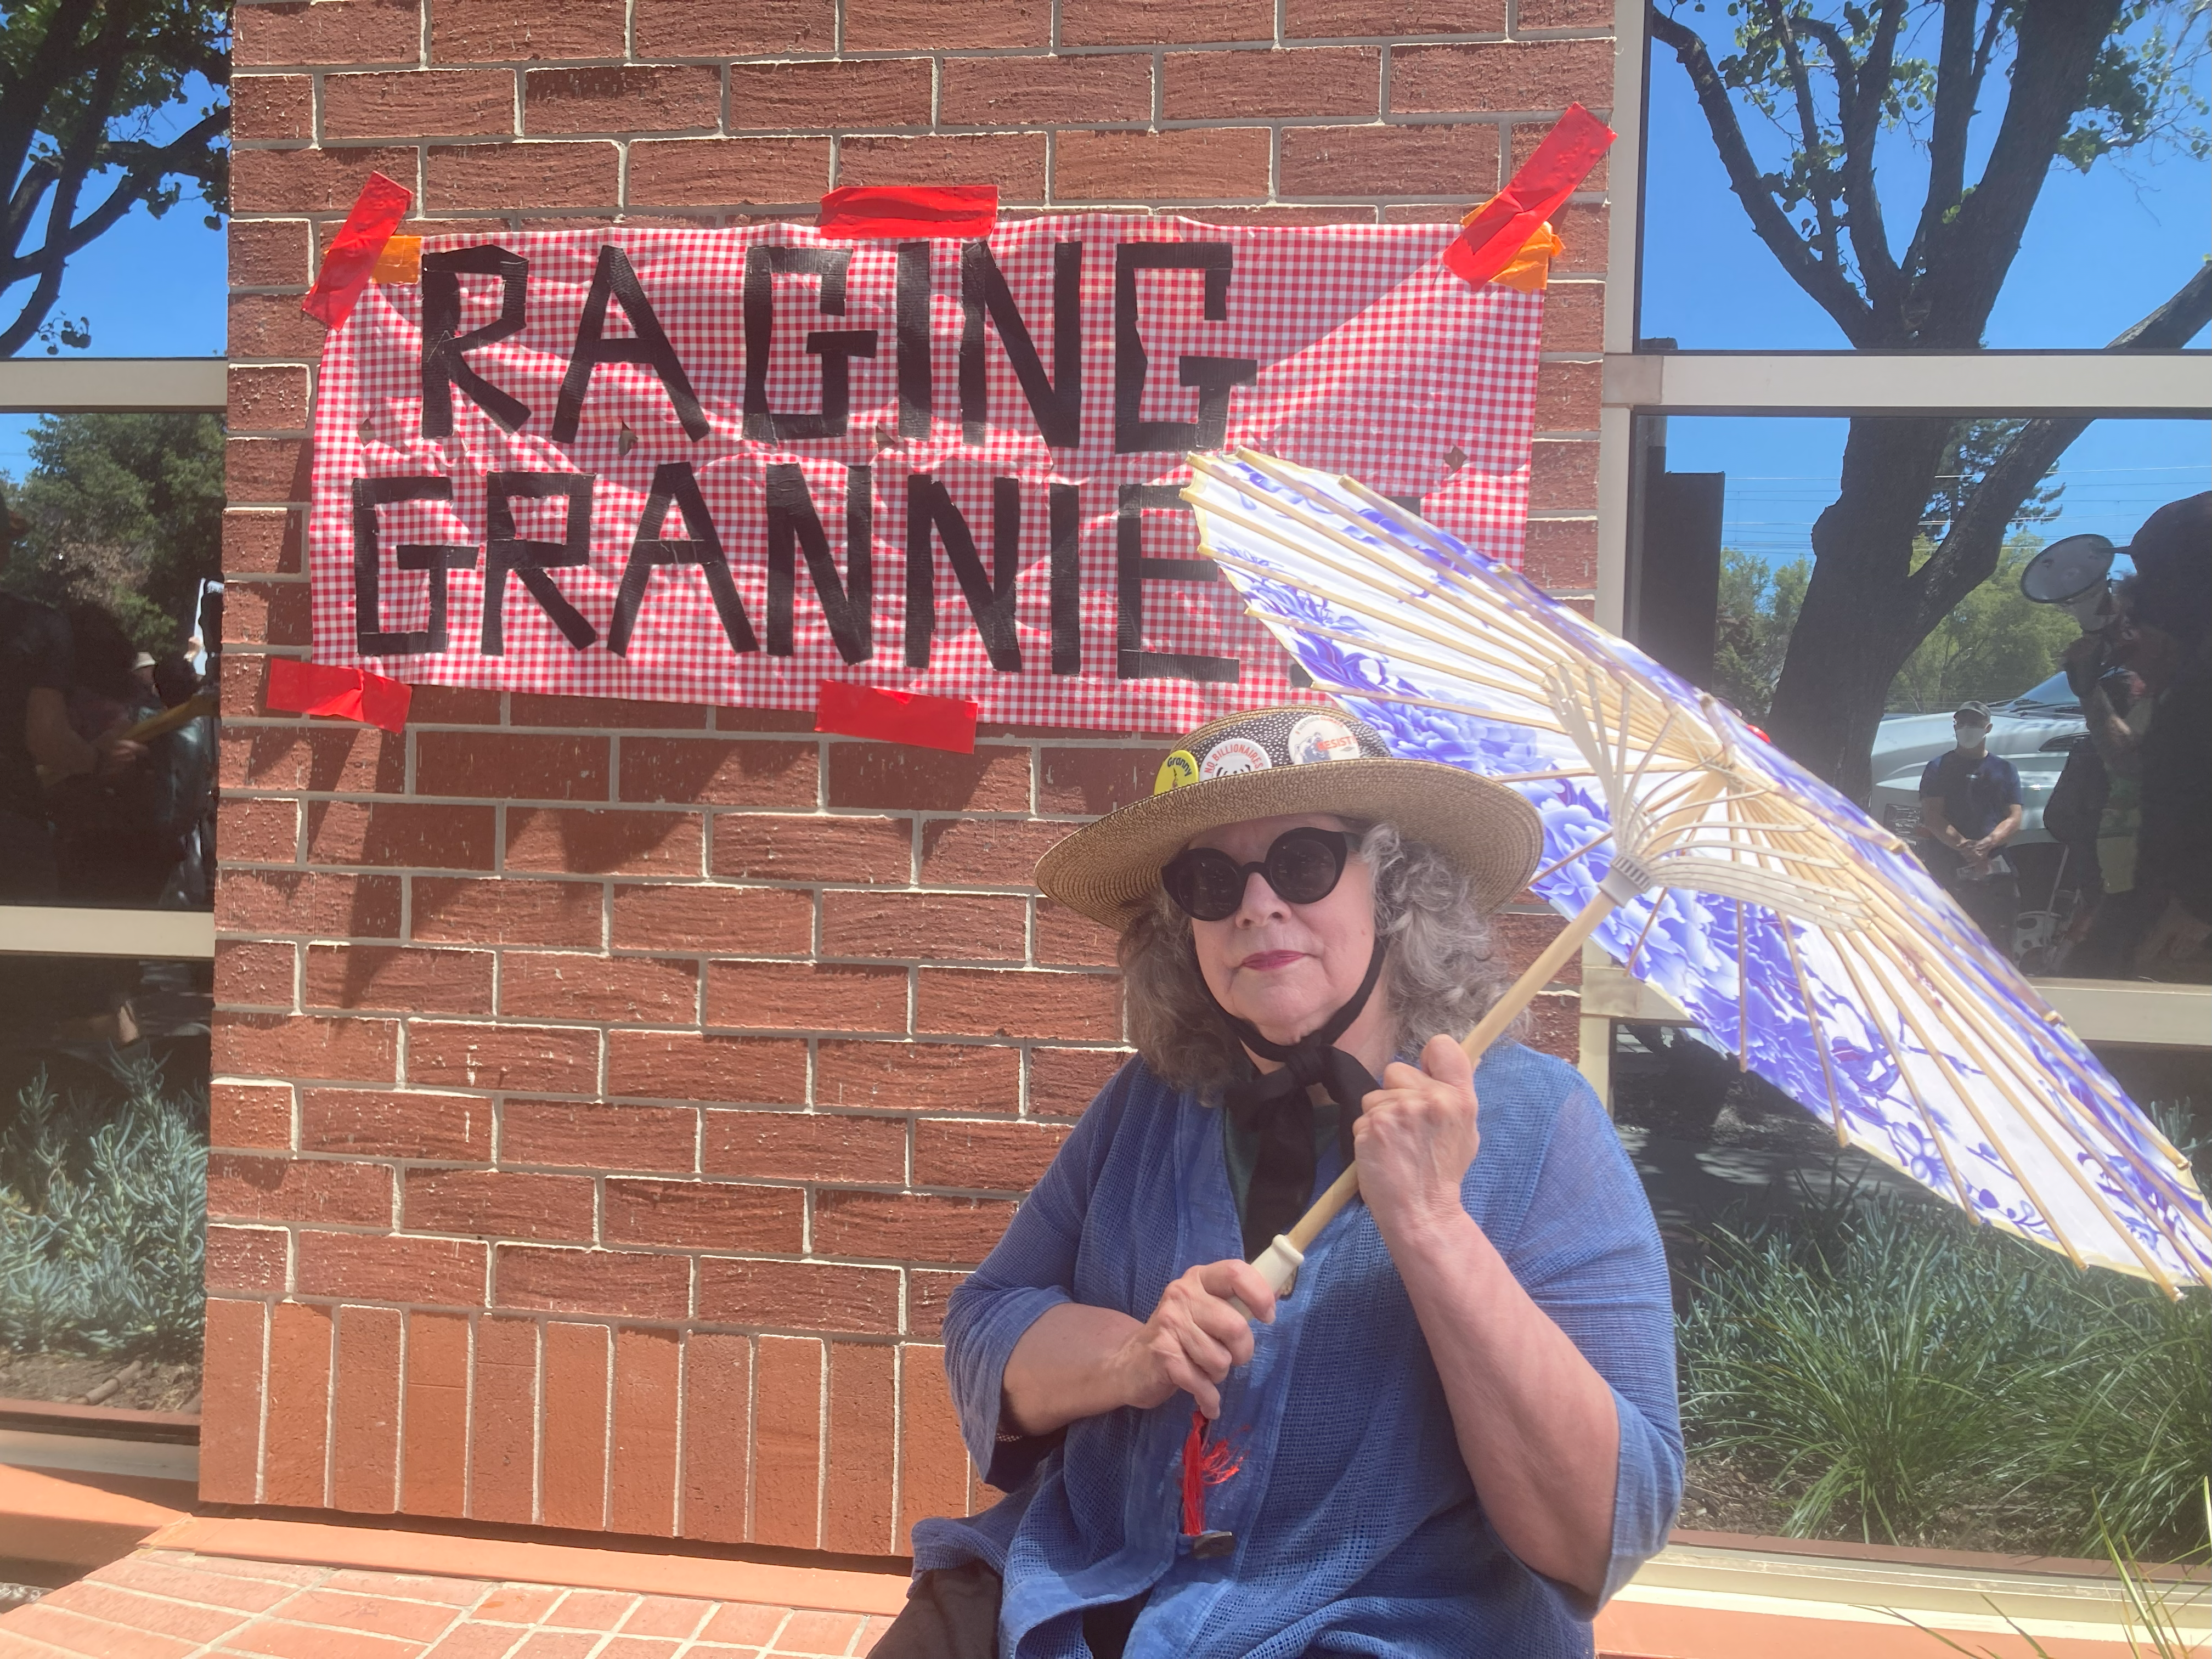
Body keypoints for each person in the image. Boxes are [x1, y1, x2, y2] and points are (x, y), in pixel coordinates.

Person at [881, 708, 1681, 1659]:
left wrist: (1432, 1226)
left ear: (1391, 885)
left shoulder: (1544, 1125)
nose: (1255, 905)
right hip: (1085, 1581)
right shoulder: (1150, 1101)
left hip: (1379, 1627)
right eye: (1210, 880)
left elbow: (1603, 1531)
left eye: (1302, 861)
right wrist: (1130, 1355)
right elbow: (989, 1317)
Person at [2064, 493, 2211, 980]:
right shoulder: (2176, 697)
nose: (2122, 651)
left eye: (2134, 625)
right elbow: (2135, 765)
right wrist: (2091, 696)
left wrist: (2197, 904)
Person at [1916, 701, 2023, 952]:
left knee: (1996, 940)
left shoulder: (2005, 770)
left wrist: (1987, 845)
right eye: (1961, 723)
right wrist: (1964, 847)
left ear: (1988, 728)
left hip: (1993, 867)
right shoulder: (1937, 768)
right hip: (1945, 864)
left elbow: (2015, 818)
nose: (1966, 728)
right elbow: (1933, 816)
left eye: (1974, 723)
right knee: (1944, 940)